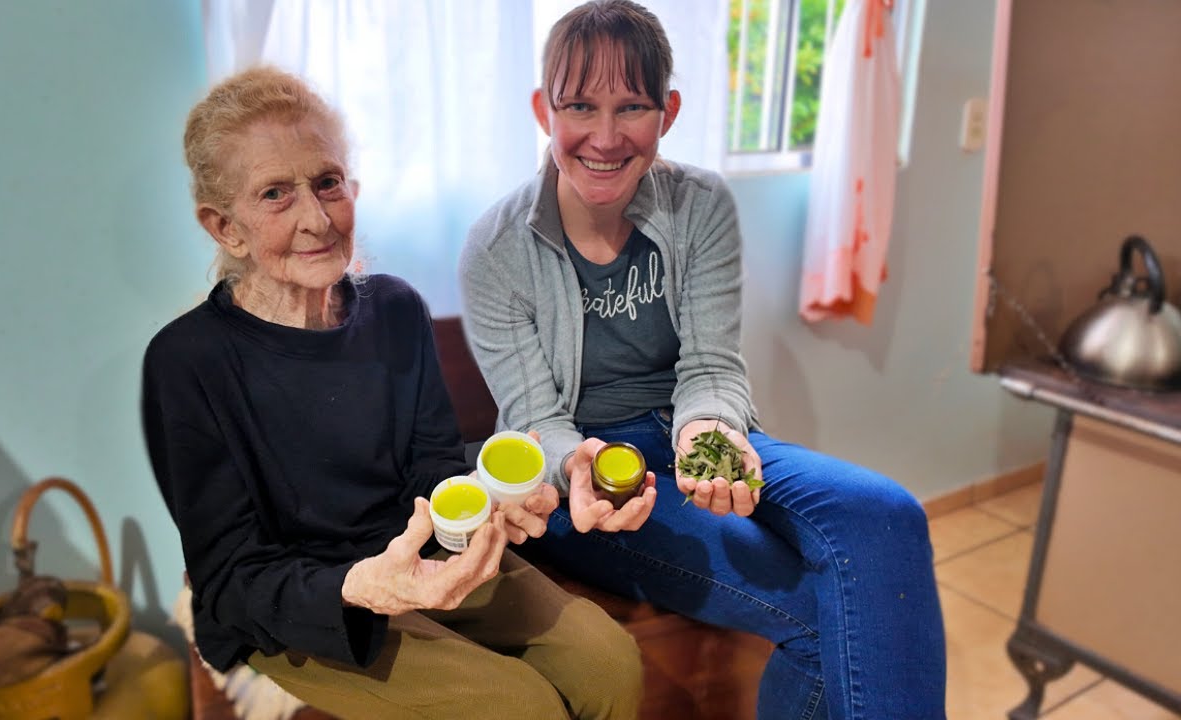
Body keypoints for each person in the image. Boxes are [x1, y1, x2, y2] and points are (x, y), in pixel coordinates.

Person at [458, 2, 947, 718]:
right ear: (544, 111)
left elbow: (712, 365)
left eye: (632, 106)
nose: (605, 137)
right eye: (580, 106)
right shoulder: (496, 249)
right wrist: (576, 467)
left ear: (669, 112)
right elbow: (535, 417)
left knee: (887, 516)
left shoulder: (701, 205)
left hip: (693, 430)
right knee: (820, 606)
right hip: (589, 480)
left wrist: (708, 432)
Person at [141, 66, 642, 720]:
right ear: (225, 227)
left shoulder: (396, 309)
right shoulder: (187, 364)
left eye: (327, 182)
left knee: (610, 662)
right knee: (519, 708)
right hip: (307, 599)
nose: (317, 218)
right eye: (275, 194)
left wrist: (498, 497)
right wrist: (363, 586)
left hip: (419, 548)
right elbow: (234, 577)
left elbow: (432, 467)